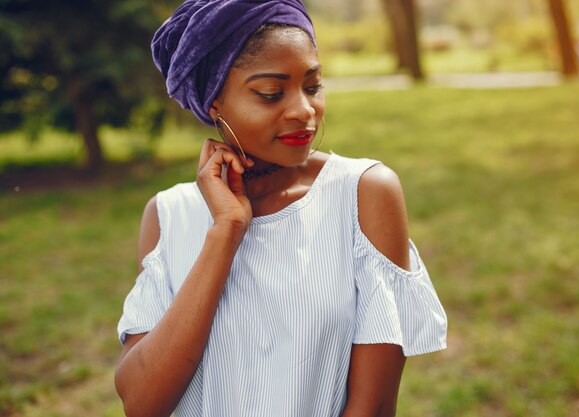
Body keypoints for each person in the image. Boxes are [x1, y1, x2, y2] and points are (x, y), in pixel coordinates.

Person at [114, 1, 447, 416]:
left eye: (312, 86)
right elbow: (142, 403)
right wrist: (225, 232)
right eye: (271, 93)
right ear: (215, 102)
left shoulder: (363, 195)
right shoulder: (168, 215)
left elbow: (373, 407)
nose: (304, 111)